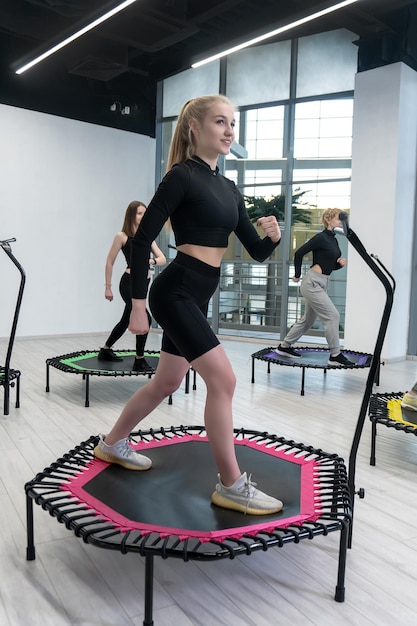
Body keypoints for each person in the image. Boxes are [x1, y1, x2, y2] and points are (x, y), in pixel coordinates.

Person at [94, 94, 283, 515]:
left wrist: (273, 237)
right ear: (194, 128)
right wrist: (139, 304)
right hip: (175, 290)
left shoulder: (231, 190)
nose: (229, 130)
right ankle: (232, 485)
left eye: (232, 123)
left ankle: (112, 443)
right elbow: (142, 241)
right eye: (220, 122)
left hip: (199, 291)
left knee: (166, 382)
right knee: (225, 381)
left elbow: (254, 251)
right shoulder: (181, 177)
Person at [275, 208, 354, 366]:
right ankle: (335, 355)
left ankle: (284, 346)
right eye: (338, 219)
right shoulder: (321, 237)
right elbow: (299, 253)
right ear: (328, 220)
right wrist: (297, 275)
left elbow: (329, 265)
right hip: (312, 283)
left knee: (307, 320)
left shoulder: (334, 239)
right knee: (333, 316)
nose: (341, 222)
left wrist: (339, 265)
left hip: (323, 282)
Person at [98, 200, 166, 373]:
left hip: (144, 283)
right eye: (139, 213)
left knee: (126, 319)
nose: (143, 216)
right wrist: (108, 287)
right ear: (131, 216)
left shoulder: (146, 237)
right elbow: (109, 262)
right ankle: (139, 360)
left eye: (145, 213)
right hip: (129, 283)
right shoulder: (122, 236)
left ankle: (105, 350)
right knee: (145, 318)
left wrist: (149, 261)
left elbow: (162, 258)